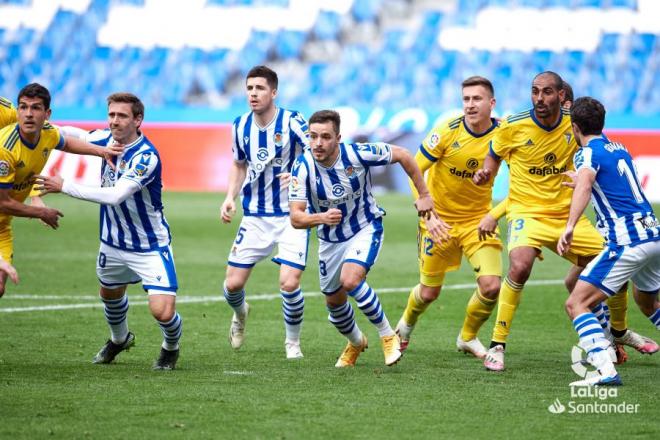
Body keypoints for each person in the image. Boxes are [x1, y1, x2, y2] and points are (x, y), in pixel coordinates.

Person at [477, 78, 652, 367]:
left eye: (546, 92)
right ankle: (497, 345)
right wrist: (486, 172)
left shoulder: (576, 124)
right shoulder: (514, 124)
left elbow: (600, 156)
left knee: (616, 261)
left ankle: (617, 332)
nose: (539, 98)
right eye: (534, 92)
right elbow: (493, 154)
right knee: (519, 266)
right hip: (527, 213)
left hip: (566, 215)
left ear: (561, 97)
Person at [35, 92, 182, 370]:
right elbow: (72, 134)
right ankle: (119, 339)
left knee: (162, 311)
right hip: (112, 242)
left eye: (122, 115)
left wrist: (64, 186)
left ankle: (170, 348)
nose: (114, 121)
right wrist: (42, 123)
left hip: (149, 244)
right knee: (109, 294)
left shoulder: (146, 156)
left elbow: (116, 195)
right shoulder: (107, 140)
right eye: (111, 114)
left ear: (138, 119)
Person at [288, 109, 443, 367]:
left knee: (351, 280)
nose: (318, 143)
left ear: (338, 138)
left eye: (325, 137)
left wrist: (424, 194)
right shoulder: (302, 166)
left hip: (365, 227)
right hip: (329, 240)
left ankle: (387, 335)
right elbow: (296, 218)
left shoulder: (357, 154)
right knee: (334, 307)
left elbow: (404, 155)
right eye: (313, 136)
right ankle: (356, 342)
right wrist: (321, 218)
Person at [394, 76, 503, 359]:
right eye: (466, 99)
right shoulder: (446, 131)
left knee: (491, 286)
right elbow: (414, 170)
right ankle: (405, 326)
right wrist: (427, 213)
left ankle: (467, 337)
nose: (470, 105)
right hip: (438, 221)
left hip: (478, 221)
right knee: (429, 293)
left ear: (491, 103)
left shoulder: (505, 133)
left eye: (476, 99)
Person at [558, 96, 659, 386]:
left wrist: (570, 225)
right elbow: (610, 184)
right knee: (647, 302)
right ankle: (609, 348)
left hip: (627, 241)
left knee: (576, 302)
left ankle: (605, 370)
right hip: (653, 234)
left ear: (575, 127)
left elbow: (588, 182)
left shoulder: (586, 154)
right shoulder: (619, 149)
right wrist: (581, 179)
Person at [220, 65, 310, 359]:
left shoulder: (293, 121)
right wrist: (229, 197)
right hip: (255, 216)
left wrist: (297, 172)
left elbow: (318, 152)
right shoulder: (239, 126)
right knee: (232, 285)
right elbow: (238, 163)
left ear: (274, 92)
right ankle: (241, 313)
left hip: (291, 216)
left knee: (289, 282)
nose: (253, 94)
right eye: (249, 88)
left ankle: (292, 343)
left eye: (259, 88)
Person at [0, 83, 121, 297]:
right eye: (24, 108)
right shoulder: (6, 150)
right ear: (17, 111)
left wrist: (101, 151)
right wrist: (41, 211)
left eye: (35, 108)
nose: (28, 114)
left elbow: (65, 143)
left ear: (47, 114)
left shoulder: (47, 132)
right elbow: (2, 202)